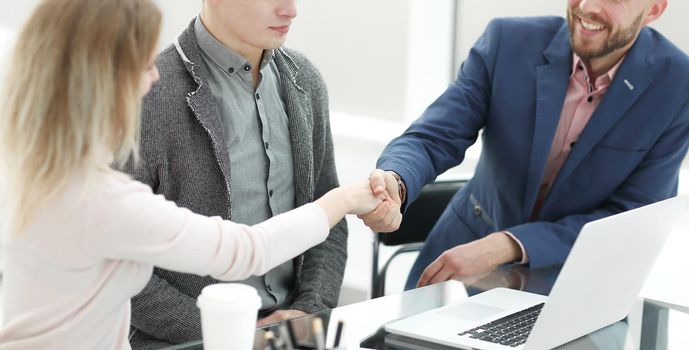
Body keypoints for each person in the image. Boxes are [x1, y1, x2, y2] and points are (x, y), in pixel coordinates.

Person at [0, 0, 385, 348]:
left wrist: (305, 318)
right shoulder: (103, 193)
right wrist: (347, 199)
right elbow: (243, 251)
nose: (291, 10)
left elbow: (324, 227)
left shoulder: (41, 172)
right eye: (143, 64)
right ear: (106, 81)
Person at [362, 0, 689, 290]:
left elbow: (631, 215)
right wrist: (397, 179)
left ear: (654, 10)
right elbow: (435, 136)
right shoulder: (507, 42)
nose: (588, 6)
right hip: (457, 269)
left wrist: (510, 245)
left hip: (571, 287)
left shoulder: (677, 85)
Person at [120, 0, 352, 346]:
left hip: (292, 336)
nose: (290, 11)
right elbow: (120, 265)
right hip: (188, 341)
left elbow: (329, 222)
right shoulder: (148, 93)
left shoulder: (305, 80)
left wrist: (308, 313)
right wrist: (233, 334)